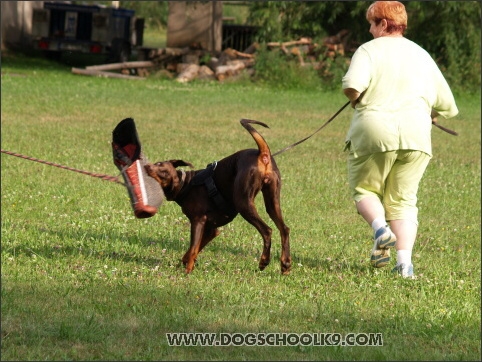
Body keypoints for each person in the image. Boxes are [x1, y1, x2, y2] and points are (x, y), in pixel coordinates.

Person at [341, 1, 458, 278]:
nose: (370, 29)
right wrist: (430, 114)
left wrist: (358, 102)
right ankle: (404, 265)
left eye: (372, 23)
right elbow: (447, 105)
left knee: (366, 191)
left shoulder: (368, 50)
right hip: (417, 136)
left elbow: (351, 86)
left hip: (374, 131)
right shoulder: (421, 54)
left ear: (383, 24)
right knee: (404, 202)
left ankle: (381, 230)